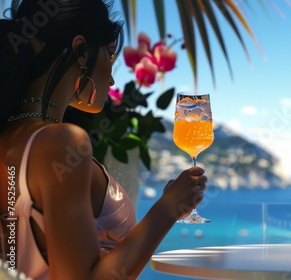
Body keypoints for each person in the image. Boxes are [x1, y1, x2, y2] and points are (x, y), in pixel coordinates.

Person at [0, 0, 207, 279]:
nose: (111, 78)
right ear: (81, 51)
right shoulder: (61, 143)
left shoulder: (12, 138)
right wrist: (167, 209)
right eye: (109, 55)